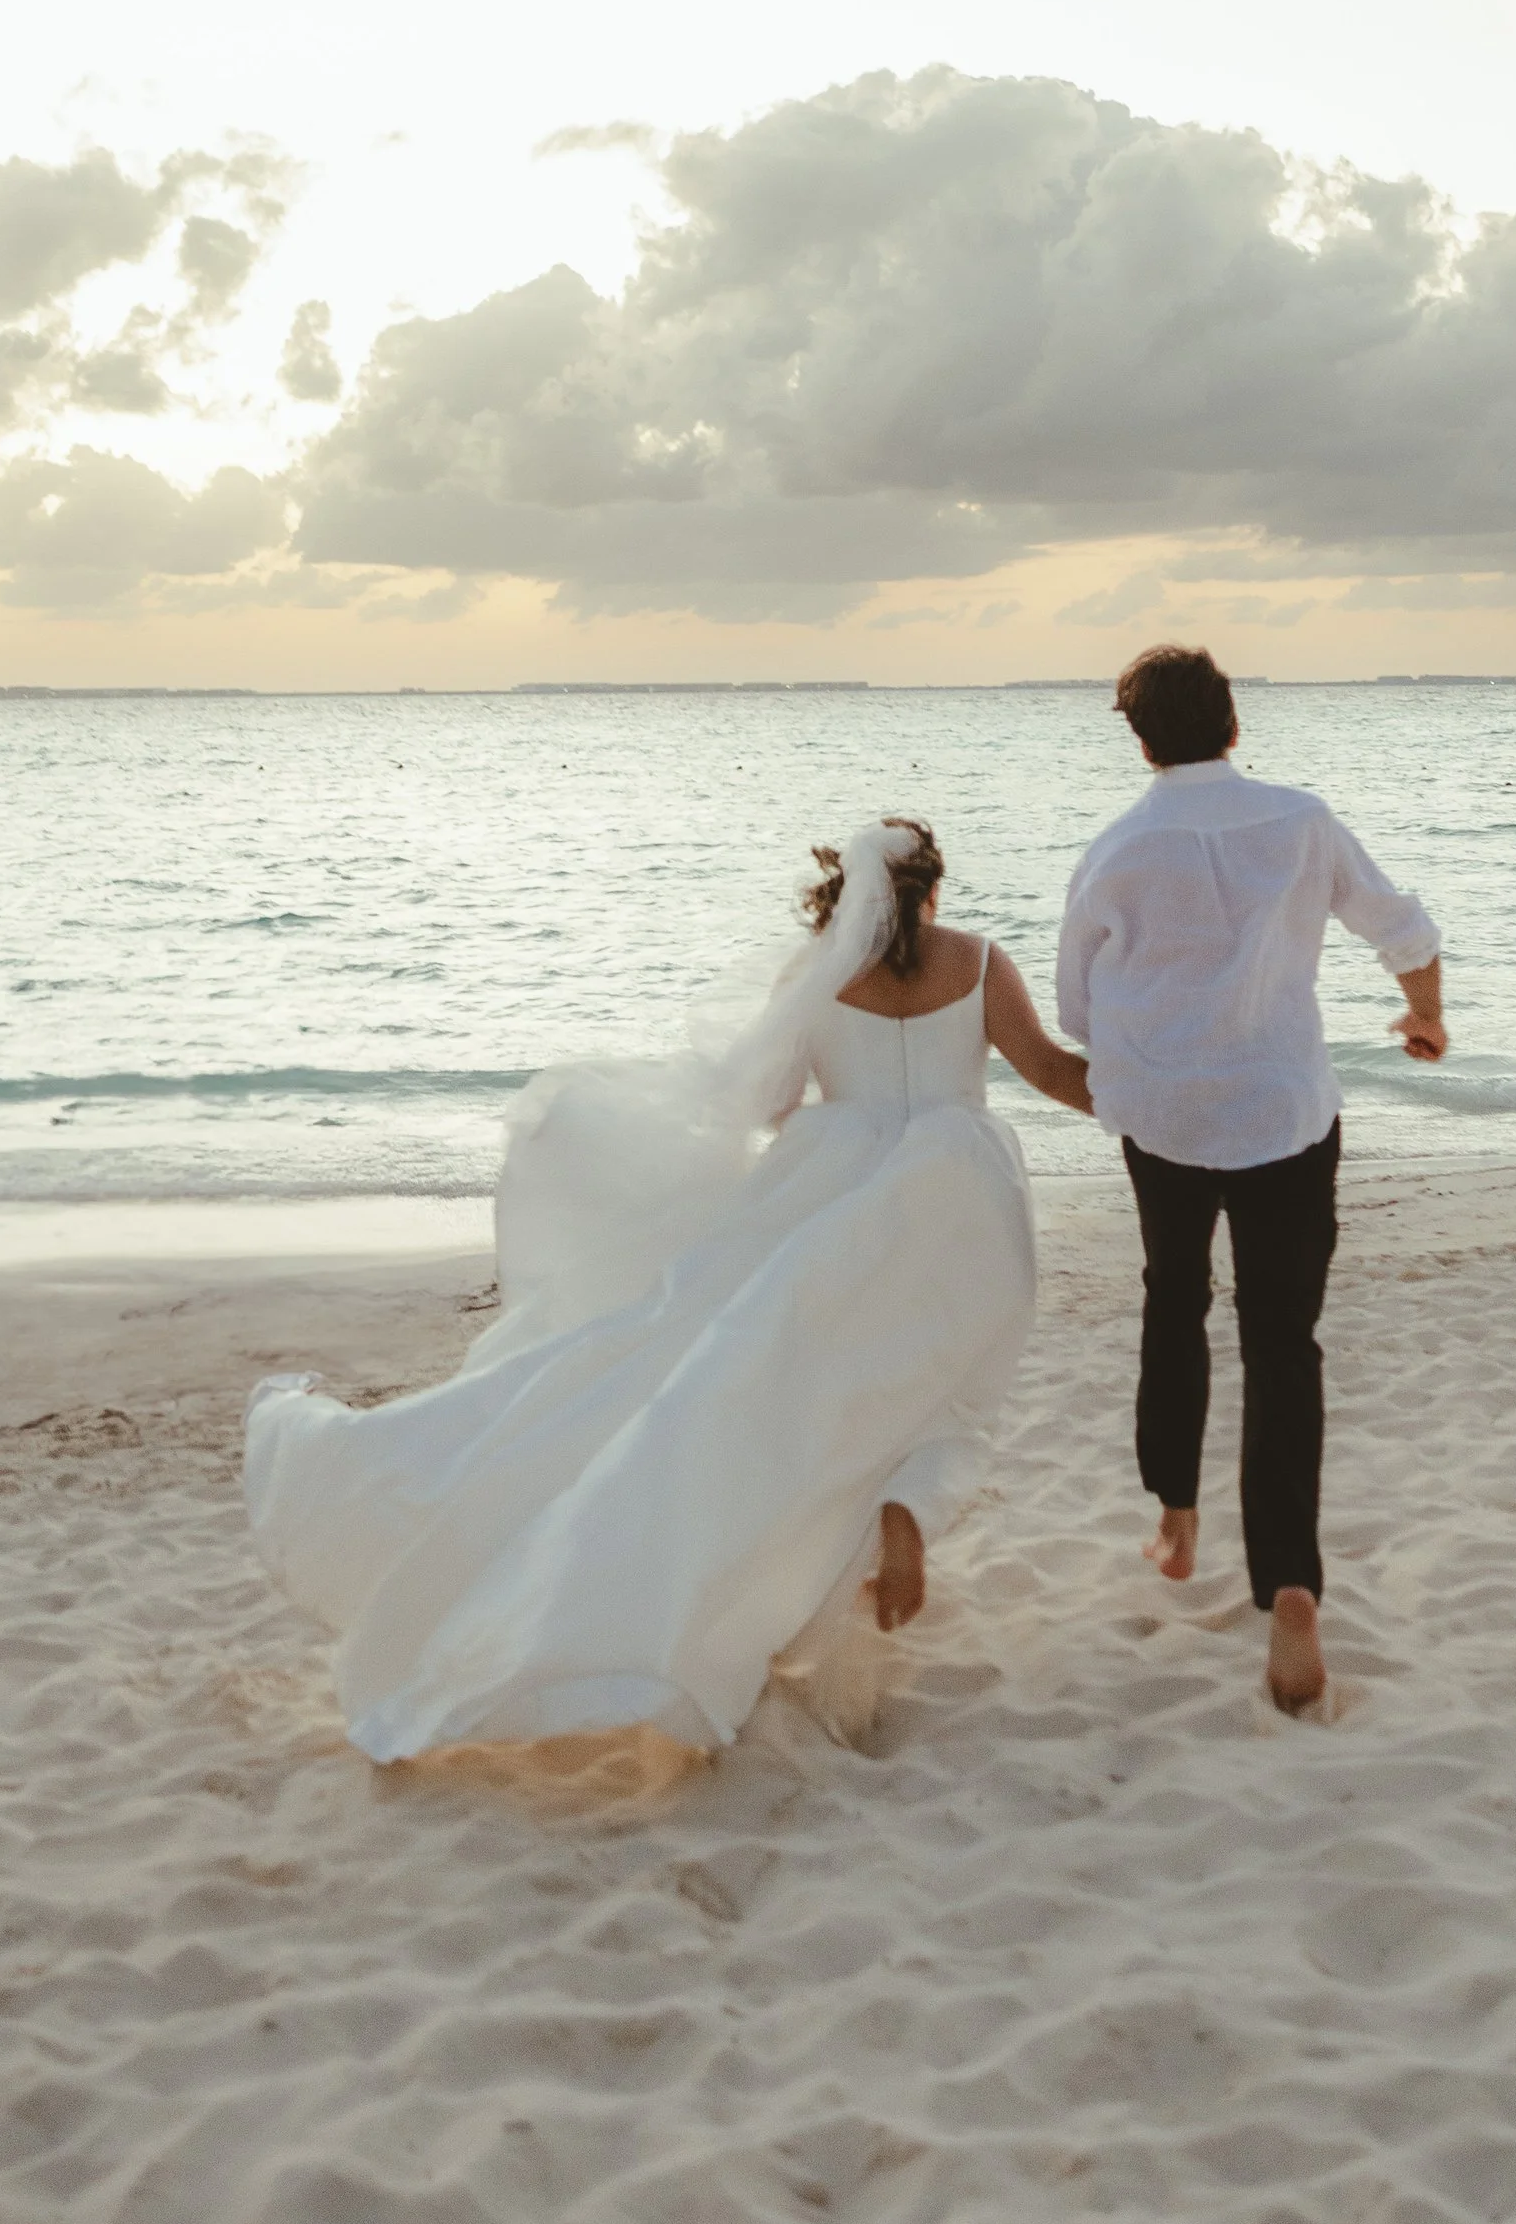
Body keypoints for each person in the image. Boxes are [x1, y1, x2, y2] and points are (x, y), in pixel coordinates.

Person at [245, 818, 1091, 1759]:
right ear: (932, 890)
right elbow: (1052, 1072)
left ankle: (831, 1553)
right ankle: (908, 1508)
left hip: (833, 1195)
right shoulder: (977, 965)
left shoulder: (814, 977)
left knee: (807, 1391)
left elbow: (767, 1111)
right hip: (959, 1194)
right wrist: (1175, 1113)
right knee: (949, 1390)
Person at [1057, 648, 1445, 1715]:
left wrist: (1148, 1055)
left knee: (1173, 1299)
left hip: (1167, 1117)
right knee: (1283, 1341)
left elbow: (1076, 1006)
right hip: (1282, 1110)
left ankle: (1176, 1516)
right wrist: (1427, 1015)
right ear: (1232, 724)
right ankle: (1288, 1586)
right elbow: (1401, 929)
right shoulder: (1301, 820)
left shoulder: (1118, 847)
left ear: (1140, 739)